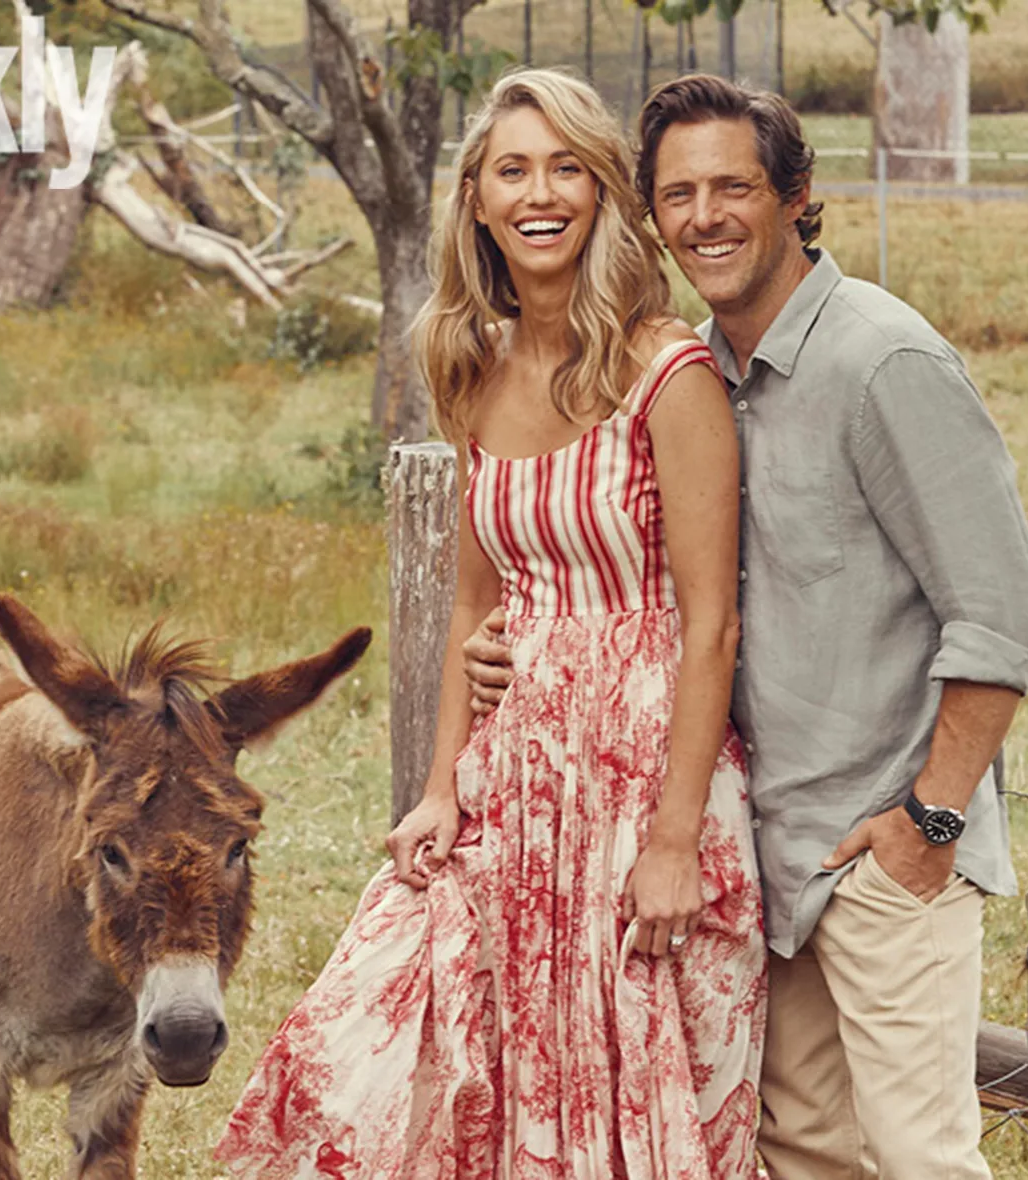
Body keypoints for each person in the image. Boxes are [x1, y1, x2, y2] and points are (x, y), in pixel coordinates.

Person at [463, 75, 1028, 1179]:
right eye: (677, 194)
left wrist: (926, 823)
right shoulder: (699, 366)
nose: (704, 217)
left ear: (794, 195)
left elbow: (1004, 615)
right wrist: (513, 643)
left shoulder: (883, 360)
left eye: (732, 186)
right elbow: (650, 579)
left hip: (882, 844)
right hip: (766, 853)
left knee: (920, 1157)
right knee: (799, 1155)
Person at [215, 69, 765, 1179]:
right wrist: (437, 783)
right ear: (476, 198)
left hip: (646, 783)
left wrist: (671, 846)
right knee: (461, 1056)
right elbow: (475, 597)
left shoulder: (669, 371)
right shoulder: (472, 368)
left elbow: (712, 625)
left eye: (566, 166)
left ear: (605, 190)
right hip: (518, 783)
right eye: (513, 169)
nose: (540, 192)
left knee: (646, 1099)